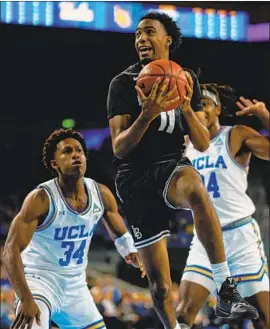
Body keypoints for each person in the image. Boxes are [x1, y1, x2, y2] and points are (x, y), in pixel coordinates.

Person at [107, 11, 258, 329]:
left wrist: (188, 106)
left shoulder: (187, 79)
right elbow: (119, 147)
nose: (141, 39)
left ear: (167, 40)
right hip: (134, 177)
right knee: (161, 288)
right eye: (137, 34)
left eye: (149, 32)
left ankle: (224, 287)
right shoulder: (122, 84)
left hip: (171, 164)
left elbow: (202, 144)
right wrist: (146, 115)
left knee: (195, 189)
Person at [2, 128, 145, 329]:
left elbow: (120, 233)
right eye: (67, 151)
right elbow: (10, 251)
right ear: (55, 164)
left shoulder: (101, 193)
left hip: (76, 286)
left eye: (79, 150)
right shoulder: (41, 199)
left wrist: (130, 251)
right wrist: (25, 297)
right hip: (40, 282)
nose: (76, 154)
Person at [177, 85, 269, 328]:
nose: (200, 109)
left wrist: (263, 115)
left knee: (264, 317)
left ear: (218, 109)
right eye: (196, 105)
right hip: (205, 239)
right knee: (182, 314)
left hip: (239, 236)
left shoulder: (235, 134)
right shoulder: (184, 144)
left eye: (205, 103)